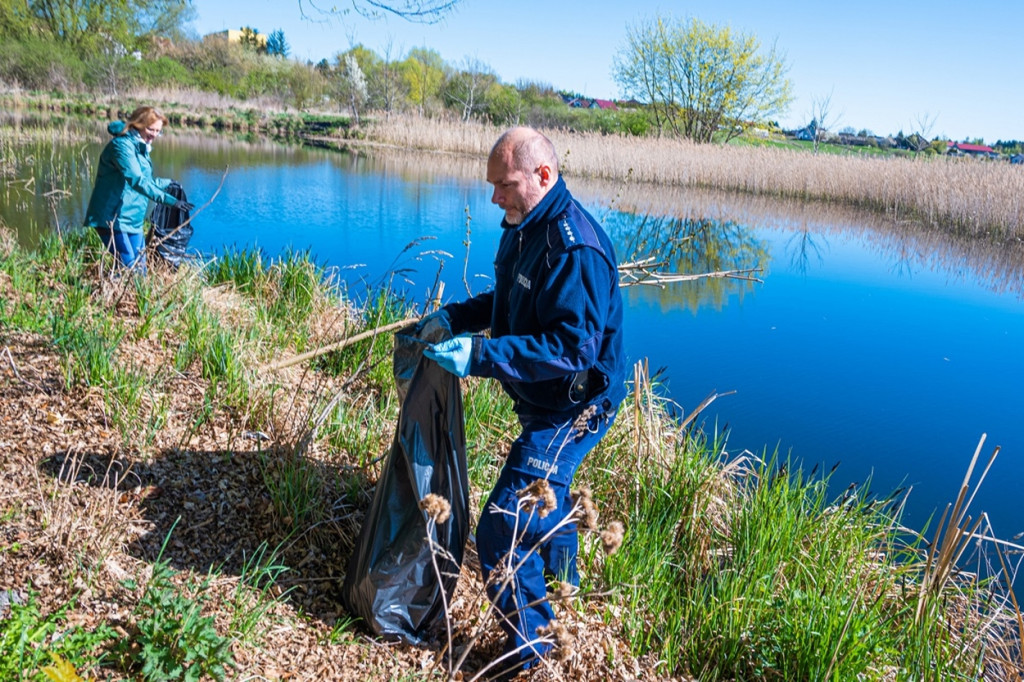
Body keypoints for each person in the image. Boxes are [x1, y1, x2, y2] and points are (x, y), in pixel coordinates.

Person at [422, 126, 626, 674]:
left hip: (573, 408)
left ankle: (533, 651)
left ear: (543, 175)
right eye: (492, 185)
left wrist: (481, 358)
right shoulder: (522, 224)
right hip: (543, 397)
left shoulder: (573, 247)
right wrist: (459, 318)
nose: (494, 197)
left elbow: (571, 348)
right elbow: (510, 300)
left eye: (504, 184)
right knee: (543, 505)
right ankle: (567, 593)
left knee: (503, 527)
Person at [84, 105, 193, 272]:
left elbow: (146, 181)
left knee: (140, 271)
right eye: (151, 129)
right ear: (137, 124)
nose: (154, 135)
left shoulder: (141, 147)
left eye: (158, 131)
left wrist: (168, 183)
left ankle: (124, 294)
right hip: (113, 218)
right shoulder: (122, 146)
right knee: (130, 270)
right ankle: (110, 295)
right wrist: (169, 200)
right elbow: (137, 180)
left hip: (132, 219)